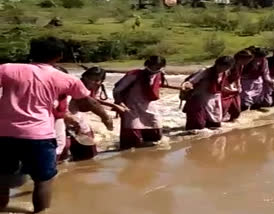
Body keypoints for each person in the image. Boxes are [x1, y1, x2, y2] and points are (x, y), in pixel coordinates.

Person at [0, 36, 113, 213]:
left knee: (2, 178)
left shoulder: (6, 69)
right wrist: (106, 118)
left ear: (31, 51)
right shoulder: (64, 78)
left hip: (4, 133)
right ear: (59, 56)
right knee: (43, 180)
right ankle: (41, 212)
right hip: (39, 136)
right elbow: (90, 102)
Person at [68, 66, 126, 160]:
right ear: (85, 77)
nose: (97, 82)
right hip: (69, 116)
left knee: (88, 151)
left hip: (79, 116)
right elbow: (90, 101)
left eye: (99, 80)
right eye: (93, 80)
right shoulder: (76, 86)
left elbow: (95, 100)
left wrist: (113, 106)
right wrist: (106, 118)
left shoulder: (94, 87)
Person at [113, 56, 170, 150]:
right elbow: (117, 90)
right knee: (132, 134)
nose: (155, 69)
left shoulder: (159, 74)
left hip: (149, 105)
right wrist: (119, 103)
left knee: (155, 132)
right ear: (147, 65)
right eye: (153, 67)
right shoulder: (135, 74)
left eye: (158, 67)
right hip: (131, 106)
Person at [181, 56, 235, 130]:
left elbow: (221, 86)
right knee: (197, 125)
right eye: (220, 66)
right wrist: (186, 85)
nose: (221, 69)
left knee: (215, 125)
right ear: (216, 64)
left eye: (225, 67)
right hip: (199, 100)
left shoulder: (225, 73)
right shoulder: (205, 71)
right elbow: (191, 81)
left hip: (214, 101)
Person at [222, 50, 253, 121]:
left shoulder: (241, 66)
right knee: (225, 107)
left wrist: (239, 85)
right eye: (247, 60)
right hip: (225, 87)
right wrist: (230, 88)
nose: (248, 62)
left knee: (236, 110)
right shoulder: (231, 66)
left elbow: (238, 77)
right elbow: (224, 78)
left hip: (232, 86)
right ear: (241, 59)